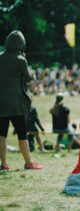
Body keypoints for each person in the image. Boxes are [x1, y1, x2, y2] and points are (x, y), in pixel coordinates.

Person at [0, 30, 43, 170]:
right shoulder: (20, 59)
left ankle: (4, 164)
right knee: (22, 134)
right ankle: (28, 162)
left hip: (1, 103)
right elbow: (29, 78)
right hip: (17, 103)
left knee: (2, 135)